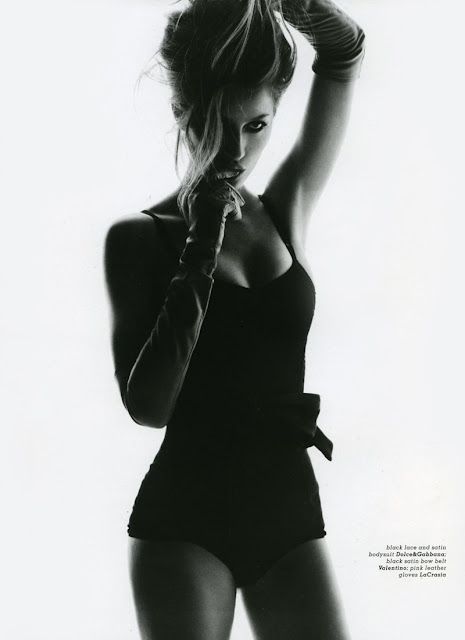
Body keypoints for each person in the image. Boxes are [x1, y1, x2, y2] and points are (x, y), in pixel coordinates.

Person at [104, 0, 365, 638]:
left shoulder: (284, 209)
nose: (236, 149)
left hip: (289, 512)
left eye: (256, 126)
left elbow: (344, 57)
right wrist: (200, 248)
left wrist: (300, 10)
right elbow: (149, 408)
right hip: (185, 522)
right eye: (215, 125)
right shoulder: (138, 239)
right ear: (182, 112)